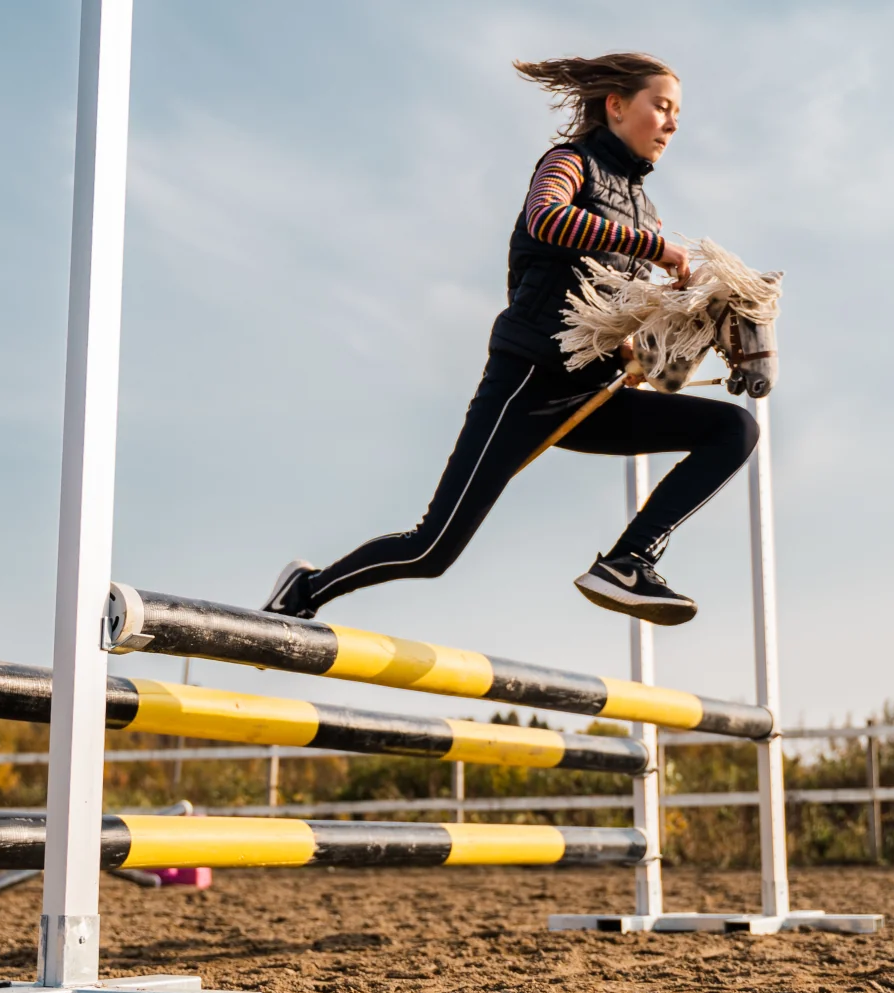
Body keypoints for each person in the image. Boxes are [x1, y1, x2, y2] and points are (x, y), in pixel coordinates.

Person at [265, 53, 758, 627]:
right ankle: (305, 591)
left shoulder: (645, 210)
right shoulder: (567, 162)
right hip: (527, 382)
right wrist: (656, 251)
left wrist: (643, 351)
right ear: (616, 106)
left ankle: (629, 561)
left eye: (678, 113)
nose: (673, 124)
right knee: (431, 551)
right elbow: (545, 217)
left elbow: (614, 305)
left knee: (733, 427)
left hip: (590, 396)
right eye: (662, 107)